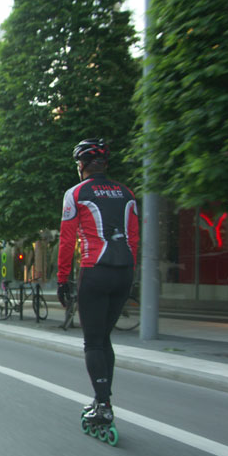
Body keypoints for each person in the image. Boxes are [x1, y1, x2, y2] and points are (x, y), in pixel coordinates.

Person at [56, 139, 139, 426]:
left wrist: (62, 279)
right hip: (124, 272)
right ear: (105, 164)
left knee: (92, 342)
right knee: (105, 338)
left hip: (95, 270)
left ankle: (102, 405)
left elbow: (67, 241)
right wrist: (131, 272)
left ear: (82, 165)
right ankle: (102, 398)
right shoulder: (127, 193)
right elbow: (134, 238)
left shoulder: (76, 193)